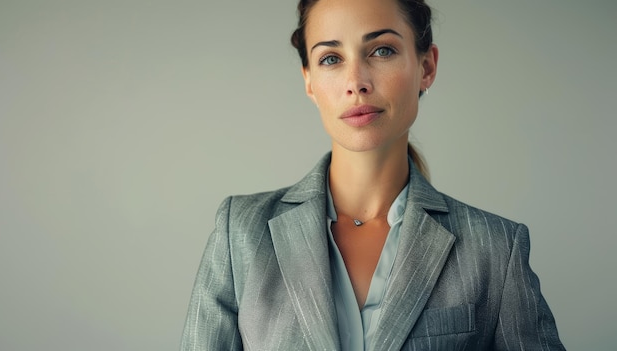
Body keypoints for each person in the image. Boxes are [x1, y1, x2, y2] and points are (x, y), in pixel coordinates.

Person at [181, 0, 565, 349]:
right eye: (331, 58)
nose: (357, 82)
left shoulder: (496, 250)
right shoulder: (241, 236)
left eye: (382, 50)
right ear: (309, 80)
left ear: (427, 67)